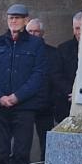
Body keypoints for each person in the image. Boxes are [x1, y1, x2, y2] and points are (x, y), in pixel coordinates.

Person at [0, 3, 48, 164]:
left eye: (17, 18)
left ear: (26, 20)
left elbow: (38, 75)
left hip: (24, 107)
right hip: (0, 106)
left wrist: (17, 97)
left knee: (21, 153)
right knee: (1, 153)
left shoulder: (36, 44)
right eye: (11, 17)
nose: (13, 21)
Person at [27, 16, 57, 156]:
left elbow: (55, 79)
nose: (33, 34)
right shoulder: (21, 53)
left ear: (42, 33)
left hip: (45, 106)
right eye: (30, 32)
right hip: (25, 105)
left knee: (46, 145)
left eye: (36, 31)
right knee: (22, 144)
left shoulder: (52, 53)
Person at [51, 13, 82, 126]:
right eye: (77, 28)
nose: (79, 32)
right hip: (66, 102)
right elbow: (56, 75)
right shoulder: (63, 49)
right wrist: (72, 92)